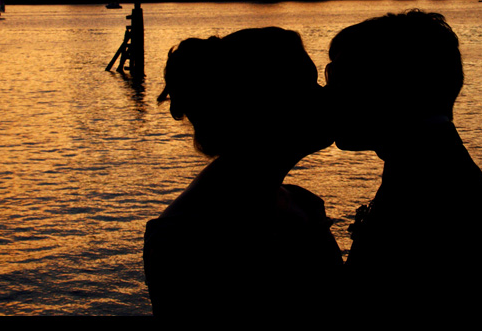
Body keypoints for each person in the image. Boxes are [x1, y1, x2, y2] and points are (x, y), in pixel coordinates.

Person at [326, 9, 482, 320]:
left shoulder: (427, 189)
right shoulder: (434, 168)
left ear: (390, 85)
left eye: (338, 77)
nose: (329, 94)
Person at [143, 27, 343, 318]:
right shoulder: (187, 237)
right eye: (306, 84)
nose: (324, 95)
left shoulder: (302, 202)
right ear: (262, 105)